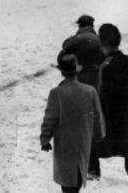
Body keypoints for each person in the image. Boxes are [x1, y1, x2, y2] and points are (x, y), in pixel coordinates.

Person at [40, 53, 105, 193]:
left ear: (62, 73)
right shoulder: (90, 91)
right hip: (83, 146)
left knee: (68, 185)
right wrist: (99, 135)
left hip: (65, 149)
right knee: (78, 181)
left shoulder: (56, 93)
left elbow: (49, 119)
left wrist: (45, 140)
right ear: (77, 71)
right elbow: (98, 117)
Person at [95, 23, 128, 187]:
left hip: (112, 115)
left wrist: (101, 115)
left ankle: (92, 178)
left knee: (94, 145)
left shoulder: (105, 66)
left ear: (103, 44)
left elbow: (104, 94)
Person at [62, 15, 106, 90]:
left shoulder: (72, 40)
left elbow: (63, 58)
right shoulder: (101, 40)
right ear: (92, 25)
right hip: (97, 78)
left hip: (78, 78)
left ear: (79, 26)